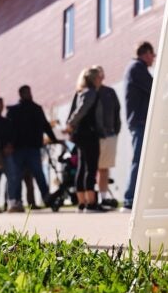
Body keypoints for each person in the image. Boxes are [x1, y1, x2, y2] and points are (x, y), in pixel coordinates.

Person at [6, 85, 58, 212]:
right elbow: (7, 129)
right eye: (26, 92)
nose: (29, 94)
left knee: (38, 173)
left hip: (33, 148)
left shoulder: (36, 109)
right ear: (21, 94)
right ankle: (16, 201)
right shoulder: (13, 110)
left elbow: (45, 125)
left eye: (29, 92)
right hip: (18, 148)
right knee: (16, 176)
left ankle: (47, 198)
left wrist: (54, 139)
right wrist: (8, 144)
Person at [65, 67, 104, 213]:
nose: (102, 79)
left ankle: (82, 203)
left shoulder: (81, 92)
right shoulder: (91, 93)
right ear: (94, 78)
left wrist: (71, 125)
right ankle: (91, 203)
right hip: (89, 133)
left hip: (81, 134)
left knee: (82, 167)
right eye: (100, 77)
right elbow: (81, 110)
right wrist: (71, 123)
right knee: (91, 167)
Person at [123, 41, 155, 210]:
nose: (154, 58)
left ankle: (134, 197)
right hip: (140, 121)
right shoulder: (137, 68)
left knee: (142, 159)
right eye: (153, 54)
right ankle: (129, 199)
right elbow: (155, 88)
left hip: (139, 121)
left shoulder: (136, 68)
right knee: (139, 159)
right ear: (146, 53)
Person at [94, 66, 121, 209]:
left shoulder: (109, 93)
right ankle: (90, 200)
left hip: (109, 135)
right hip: (93, 137)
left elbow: (117, 112)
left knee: (104, 168)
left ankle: (102, 198)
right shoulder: (88, 93)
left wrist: (116, 130)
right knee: (91, 169)